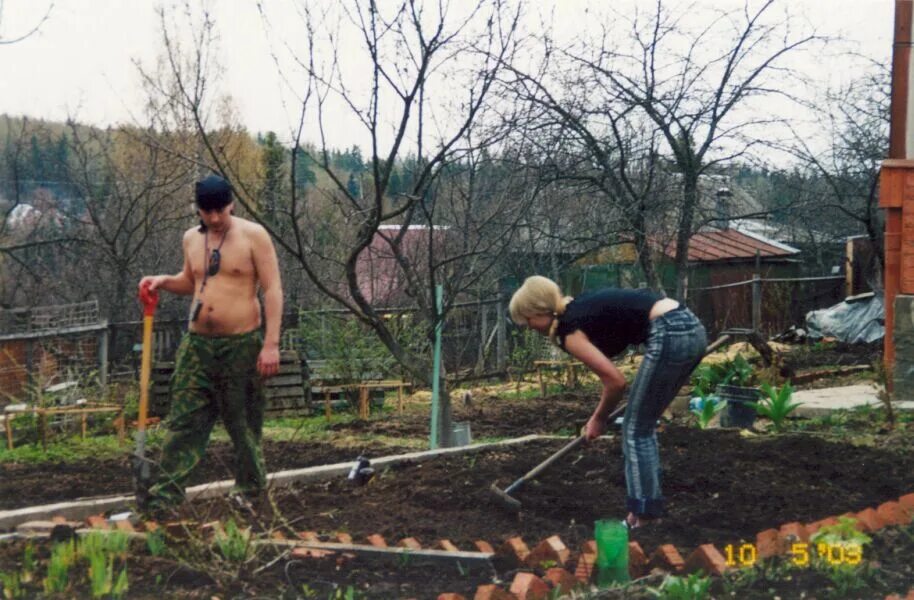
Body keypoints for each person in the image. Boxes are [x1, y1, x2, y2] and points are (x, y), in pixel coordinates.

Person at [509, 275, 706, 528]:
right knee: (642, 425)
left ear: (538, 310)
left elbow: (615, 382)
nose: (528, 327)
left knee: (635, 429)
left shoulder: (569, 328)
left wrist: (598, 418)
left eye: (527, 320)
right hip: (690, 326)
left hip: (671, 331)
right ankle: (642, 511)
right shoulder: (579, 309)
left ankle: (644, 516)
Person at [138, 174, 283, 513]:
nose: (215, 218)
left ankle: (249, 490)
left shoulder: (254, 236)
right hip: (197, 345)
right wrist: (162, 281)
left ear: (231, 204)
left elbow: (273, 289)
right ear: (198, 209)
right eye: (207, 211)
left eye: (220, 210)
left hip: (241, 345)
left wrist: (271, 344)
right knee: (184, 420)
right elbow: (191, 281)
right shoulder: (191, 238)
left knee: (243, 422)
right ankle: (164, 500)